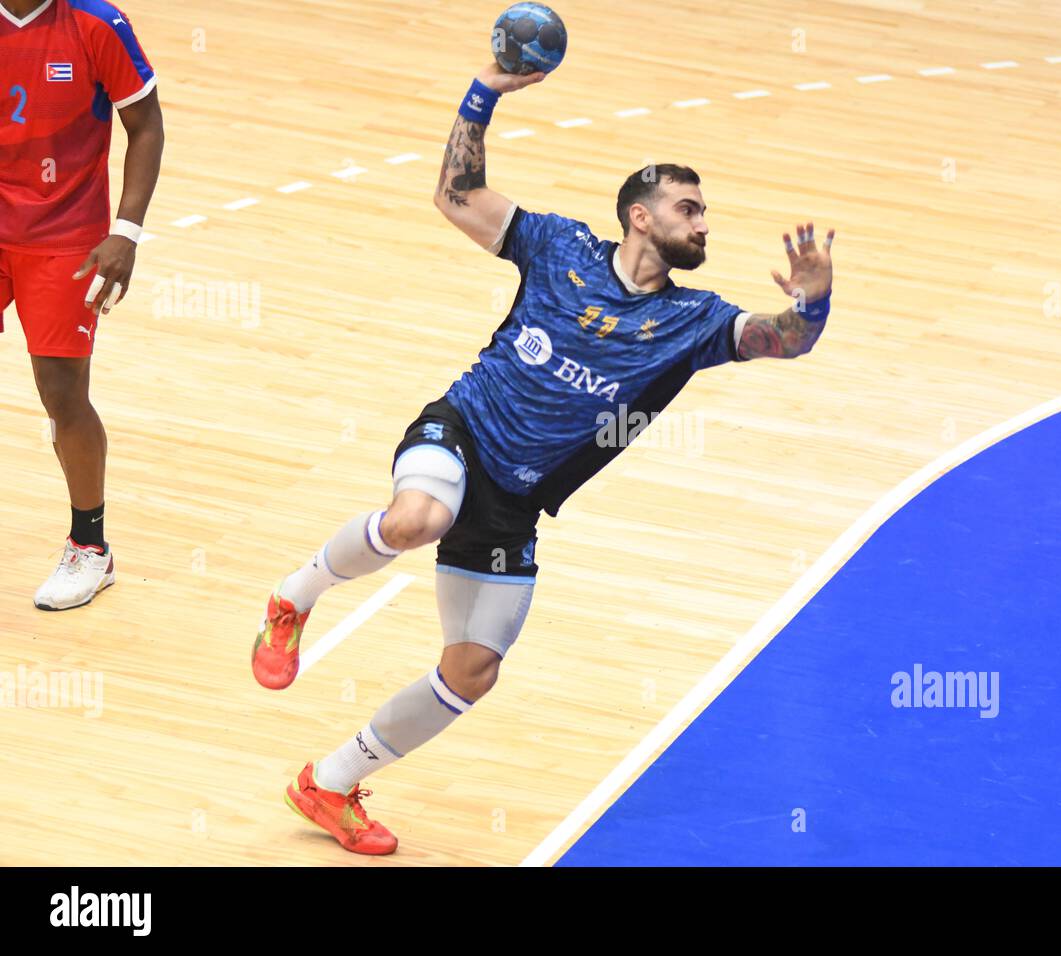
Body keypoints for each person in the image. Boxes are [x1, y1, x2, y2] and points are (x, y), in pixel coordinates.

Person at [254, 64, 834, 854]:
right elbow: (456, 195)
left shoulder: (693, 320)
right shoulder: (558, 244)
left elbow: (785, 342)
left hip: (516, 501)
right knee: (419, 516)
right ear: (640, 215)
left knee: (471, 672)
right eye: (689, 209)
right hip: (461, 429)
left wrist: (810, 301)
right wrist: (484, 92)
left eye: (705, 214)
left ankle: (327, 784)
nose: (704, 225)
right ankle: (294, 598)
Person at [0, 0, 164, 610]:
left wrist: (127, 231)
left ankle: (90, 548)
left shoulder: (98, 25)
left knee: (61, 391)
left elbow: (145, 124)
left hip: (65, 236)